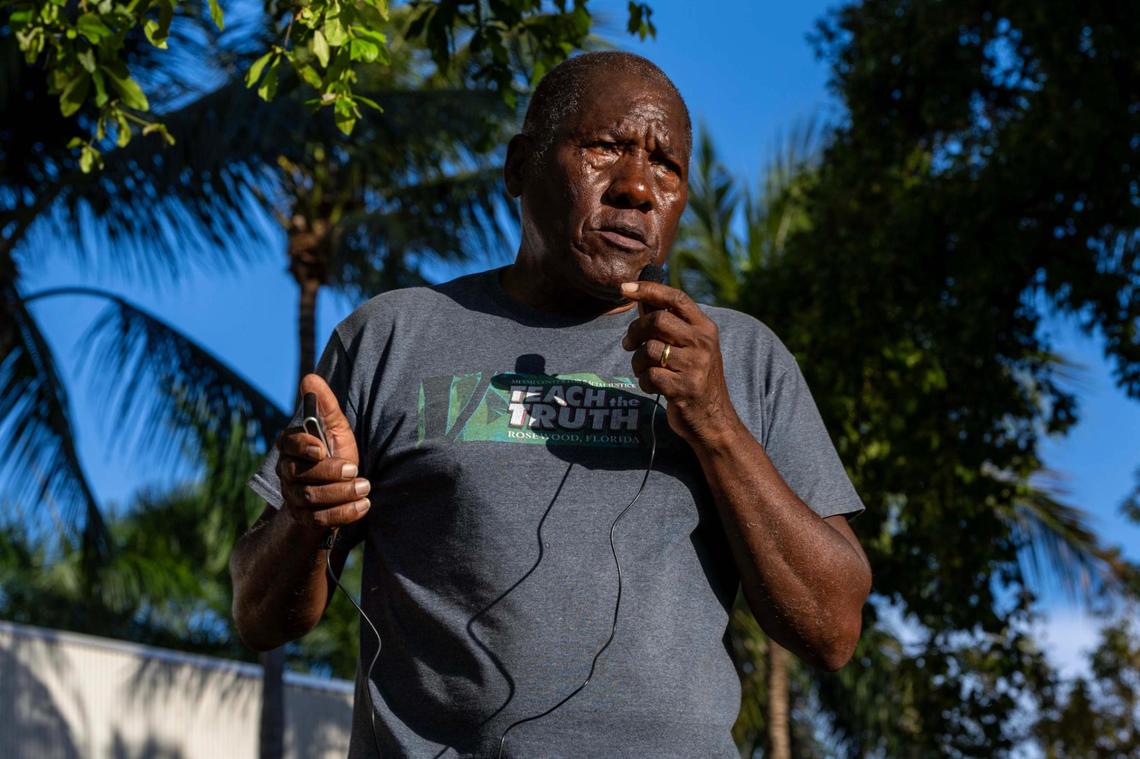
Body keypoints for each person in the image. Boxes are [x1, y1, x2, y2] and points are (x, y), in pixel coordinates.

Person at [230, 51, 871, 758]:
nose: (636, 187)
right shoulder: (391, 338)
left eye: (667, 167)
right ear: (518, 167)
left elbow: (833, 628)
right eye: (604, 147)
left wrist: (716, 423)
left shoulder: (742, 359)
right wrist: (304, 518)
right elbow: (257, 614)